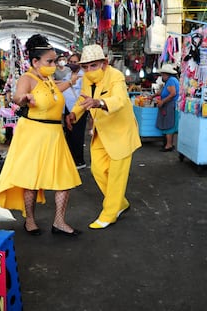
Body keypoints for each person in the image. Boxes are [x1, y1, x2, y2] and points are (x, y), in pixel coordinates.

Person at [0, 34, 81, 237]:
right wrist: (23, 98)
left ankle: (59, 222)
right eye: (49, 61)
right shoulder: (27, 78)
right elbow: (17, 96)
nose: (53, 64)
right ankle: (30, 220)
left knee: (64, 178)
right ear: (35, 61)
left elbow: (56, 88)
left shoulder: (47, 78)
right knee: (30, 180)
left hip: (55, 134)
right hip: (33, 134)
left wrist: (71, 81)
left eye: (54, 61)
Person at [65, 44, 141, 229]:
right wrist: (75, 113)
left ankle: (109, 213)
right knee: (97, 170)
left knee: (116, 176)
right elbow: (83, 101)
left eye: (94, 65)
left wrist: (99, 102)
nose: (89, 70)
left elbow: (120, 99)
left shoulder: (116, 75)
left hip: (121, 133)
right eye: (86, 66)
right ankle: (119, 203)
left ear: (104, 63)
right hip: (101, 132)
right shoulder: (87, 79)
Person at [62, 53, 87, 169]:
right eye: (71, 62)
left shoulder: (83, 76)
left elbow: (84, 92)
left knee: (77, 134)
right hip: (67, 107)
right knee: (69, 133)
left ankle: (79, 160)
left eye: (75, 62)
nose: (72, 64)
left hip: (79, 108)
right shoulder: (68, 75)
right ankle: (71, 158)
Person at [150, 63, 180, 152]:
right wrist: (153, 96)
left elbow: (173, 93)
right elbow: (162, 92)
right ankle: (168, 144)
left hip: (170, 105)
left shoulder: (171, 81)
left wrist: (162, 101)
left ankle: (168, 145)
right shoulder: (169, 81)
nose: (162, 76)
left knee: (169, 125)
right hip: (168, 104)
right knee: (168, 124)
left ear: (166, 74)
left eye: (162, 74)